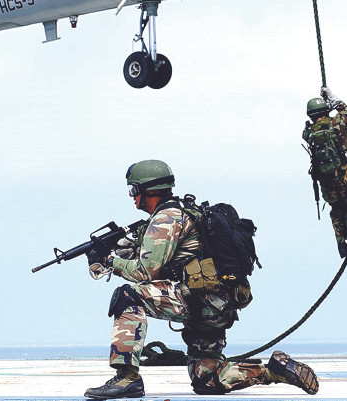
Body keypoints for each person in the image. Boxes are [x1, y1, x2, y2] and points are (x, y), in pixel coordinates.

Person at [83, 159, 319, 399]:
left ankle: (127, 377)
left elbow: (145, 272)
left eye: (133, 190)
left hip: (199, 301)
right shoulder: (183, 213)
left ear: (148, 190)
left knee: (128, 295)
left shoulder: (166, 218)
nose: (132, 197)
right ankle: (274, 371)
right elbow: (165, 260)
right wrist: (124, 250)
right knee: (207, 379)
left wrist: (109, 261)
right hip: (217, 305)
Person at [302, 87, 347, 260]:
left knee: (336, 210)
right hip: (344, 176)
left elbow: (307, 134)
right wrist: (334, 101)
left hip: (325, 179)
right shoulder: (337, 123)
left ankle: (341, 243)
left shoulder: (309, 132)